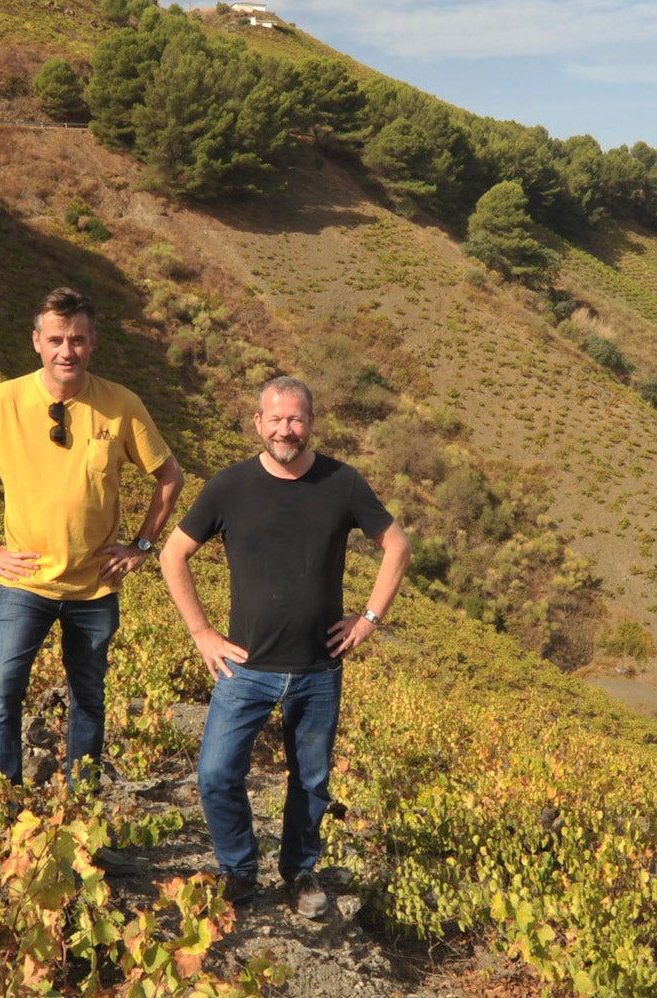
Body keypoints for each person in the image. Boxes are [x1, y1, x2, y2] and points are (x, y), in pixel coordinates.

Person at [159, 375, 410, 919]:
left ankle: (299, 872)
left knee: (311, 781)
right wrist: (202, 632)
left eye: (295, 419)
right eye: (275, 419)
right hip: (244, 668)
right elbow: (172, 554)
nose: (285, 429)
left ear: (311, 422)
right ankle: (239, 870)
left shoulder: (342, 483)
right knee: (216, 774)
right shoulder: (229, 486)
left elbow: (397, 544)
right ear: (257, 423)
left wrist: (369, 618)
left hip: (320, 668)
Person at [0, 286, 185, 785]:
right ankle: (2, 806)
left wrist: (142, 546)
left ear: (93, 343)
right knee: (1, 695)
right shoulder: (2, 401)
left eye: (78, 340)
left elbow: (170, 476)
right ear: (37, 342)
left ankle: (80, 807)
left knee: (89, 699)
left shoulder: (121, 404)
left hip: (94, 587)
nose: (67, 351)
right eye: (57, 339)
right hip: (24, 584)